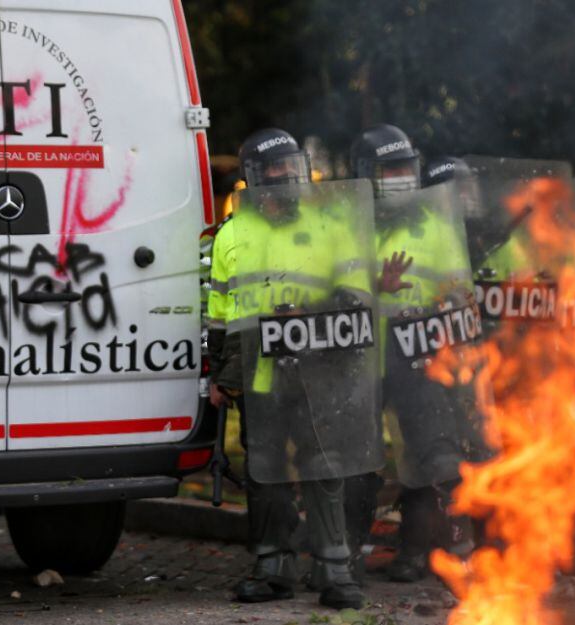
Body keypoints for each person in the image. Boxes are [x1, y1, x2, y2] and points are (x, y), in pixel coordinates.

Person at [207, 128, 374, 609]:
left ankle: (334, 570)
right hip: (260, 376)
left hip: (320, 369)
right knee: (266, 472)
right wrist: (221, 375)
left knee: (324, 465)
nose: (284, 181)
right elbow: (221, 313)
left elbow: (355, 293)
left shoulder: (330, 225)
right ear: (254, 180)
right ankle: (273, 566)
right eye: (274, 173)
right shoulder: (232, 235)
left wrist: (320, 310)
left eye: (290, 171)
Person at [348, 126, 480, 582]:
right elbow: (333, 290)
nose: (403, 177)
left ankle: (422, 551)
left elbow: (458, 292)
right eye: (392, 170)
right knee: (356, 464)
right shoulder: (350, 227)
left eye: (407, 168)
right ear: (367, 175)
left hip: (419, 362)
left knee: (426, 459)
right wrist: (374, 289)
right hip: (362, 362)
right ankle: (341, 559)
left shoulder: (437, 226)